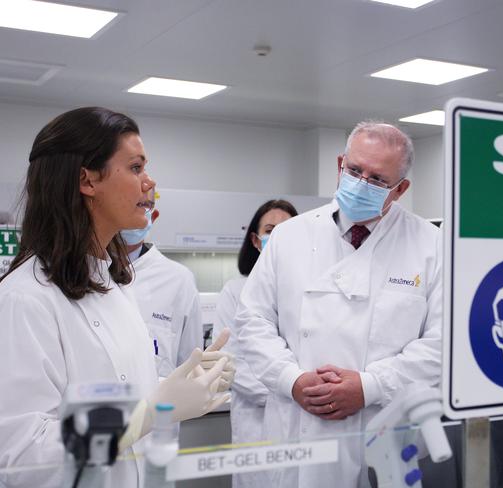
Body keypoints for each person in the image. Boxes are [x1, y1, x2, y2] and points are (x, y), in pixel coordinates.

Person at [0, 107, 232, 487]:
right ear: (87, 180)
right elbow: (24, 457)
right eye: (136, 167)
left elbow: (119, 390)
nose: (150, 182)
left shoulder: (114, 286)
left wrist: (185, 381)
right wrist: (150, 412)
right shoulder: (25, 299)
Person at [236, 121, 442, 487]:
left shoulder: (431, 245)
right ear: (339, 165)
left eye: (377, 179)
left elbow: (443, 344)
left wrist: (369, 387)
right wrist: (292, 380)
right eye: (354, 170)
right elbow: (253, 321)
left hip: (386, 433)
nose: (361, 183)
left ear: (401, 189)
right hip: (298, 428)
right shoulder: (289, 236)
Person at [212, 199, 297, 488]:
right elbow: (231, 363)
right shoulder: (235, 292)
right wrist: (292, 391)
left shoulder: (312, 293)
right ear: (255, 240)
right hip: (256, 423)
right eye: (270, 230)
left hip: (304, 425)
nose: (278, 237)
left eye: (288, 230)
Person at [121, 187, 204, 377]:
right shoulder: (84, 272)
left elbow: (191, 364)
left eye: (143, 205)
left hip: (160, 406)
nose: (133, 213)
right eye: (127, 205)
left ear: (153, 216)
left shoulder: (179, 280)